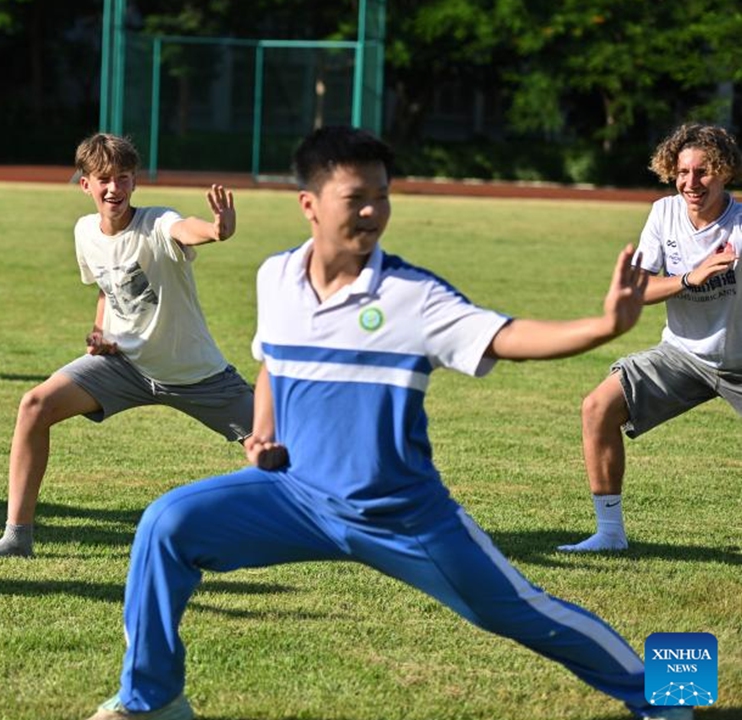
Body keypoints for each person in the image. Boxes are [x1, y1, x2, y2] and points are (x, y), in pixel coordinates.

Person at [84, 126, 687, 720]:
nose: (373, 210)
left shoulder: (411, 295)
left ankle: (670, 696)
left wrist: (603, 327)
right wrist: (262, 432)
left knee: (526, 613)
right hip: (295, 495)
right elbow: (270, 363)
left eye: (382, 196)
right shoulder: (276, 278)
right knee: (168, 523)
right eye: (356, 198)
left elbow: (508, 336)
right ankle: (153, 698)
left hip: (399, 512)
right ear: (310, 206)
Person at [0, 133, 254, 559]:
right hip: (125, 366)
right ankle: (16, 538)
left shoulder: (156, 223)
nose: (114, 187)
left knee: (274, 445)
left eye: (123, 178)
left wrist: (215, 229)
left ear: (135, 183)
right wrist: (100, 332)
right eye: (104, 178)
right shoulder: (84, 231)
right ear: (85, 184)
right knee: (34, 405)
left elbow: (184, 229)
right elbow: (107, 286)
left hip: (194, 373)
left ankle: (321, 523)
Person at [559, 123, 742, 553]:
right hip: (682, 355)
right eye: (682, 172)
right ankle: (609, 534)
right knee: (597, 407)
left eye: (703, 172)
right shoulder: (664, 213)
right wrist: (689, 278)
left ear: (725, 172)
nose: (691, 183)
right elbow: (635, 289)